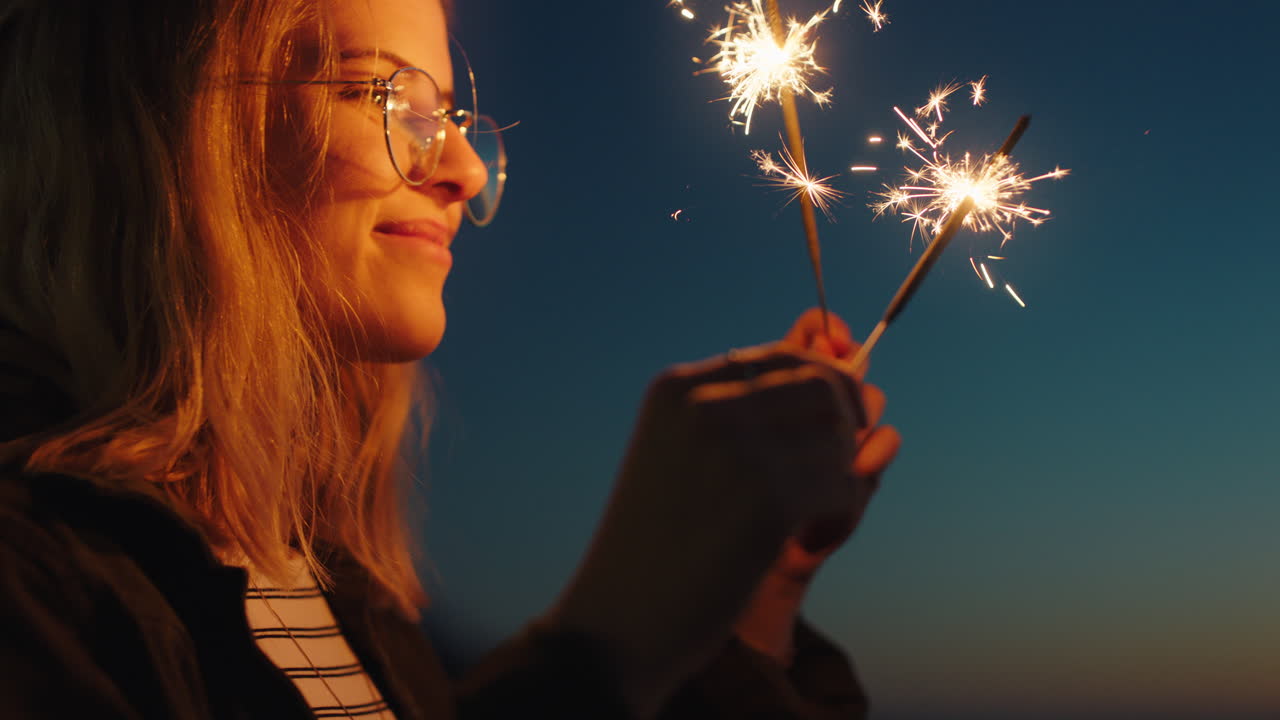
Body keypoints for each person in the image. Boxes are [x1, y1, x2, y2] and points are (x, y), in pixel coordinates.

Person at [0, 0, 901, 717]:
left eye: (448, 113)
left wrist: (746, 597)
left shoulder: (327, 584)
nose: (464, 168)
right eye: (378, 96)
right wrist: (609, 643)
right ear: (150, 126)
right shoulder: (32, 595)